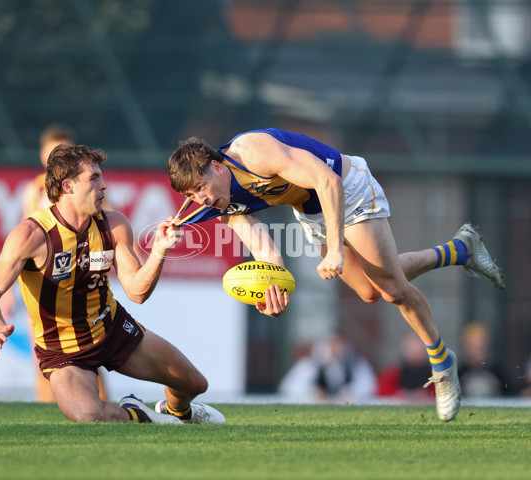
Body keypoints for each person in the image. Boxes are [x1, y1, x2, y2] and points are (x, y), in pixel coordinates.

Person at [167, 128, 506, 422]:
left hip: (346, 185)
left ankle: (443, 364)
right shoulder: (220, 204)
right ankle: (461, 249)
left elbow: (326, 180)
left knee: (391, 290)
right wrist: (275, 291)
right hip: (312, 210)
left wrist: (335, 250)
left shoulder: (253, 152)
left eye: (201, 187)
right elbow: (268, 254)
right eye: (191, 196)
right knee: (370, 291)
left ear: (215, 166)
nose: (202, 199)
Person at [0, 144, 225, 424]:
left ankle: (177, 412)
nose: (104, 185)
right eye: (94, 178)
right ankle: (140, 415)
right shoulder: (32, 235)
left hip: (114, 331)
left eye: (101, 176)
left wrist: (159, 251)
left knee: (194, 384)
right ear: (68, 186)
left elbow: (136, 292)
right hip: (63, 353)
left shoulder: (114, 224)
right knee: (89, 415)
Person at [19, 124, 109, 403]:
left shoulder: (88, 188)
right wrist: (10, 293)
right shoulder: (33, 191)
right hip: (44, 281)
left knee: (93, 344)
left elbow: (107, 222)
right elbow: (22, 243)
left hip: (79, 276)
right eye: (51, 152)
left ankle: (101, 401)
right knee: (41, 347)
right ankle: (48, 404)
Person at [278, 332, 376, 403]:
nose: (336, 350)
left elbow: (369, 386)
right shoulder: (309, 364)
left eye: (339, 345)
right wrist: (314, 392)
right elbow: (289, 387)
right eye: (332, 345)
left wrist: (349, 393)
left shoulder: (355, 363)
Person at [376, 332, 436, 402]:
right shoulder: (393, 373)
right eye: (413, 352)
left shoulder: (434, 375)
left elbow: (440, 392)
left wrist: (426, 395)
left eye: (419, 352)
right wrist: (400, 394)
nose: (415, 357)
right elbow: (382, 391)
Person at [458, 322, 507, 397]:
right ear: (466, 347)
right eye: (474, 348)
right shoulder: (459, 374)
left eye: (481, 348)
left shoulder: (498, 374)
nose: (478, 352)